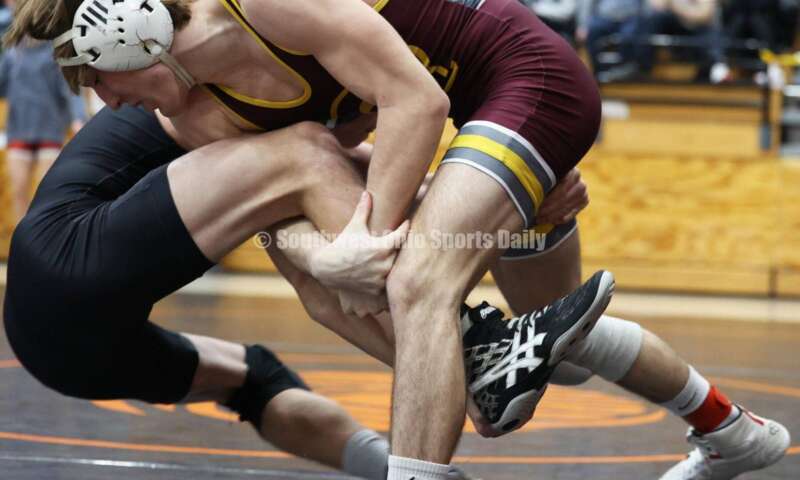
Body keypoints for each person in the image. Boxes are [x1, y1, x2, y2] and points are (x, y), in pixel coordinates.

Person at [4, 1, 788, 479]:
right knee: (547, 349)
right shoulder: (193, 109)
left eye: (104, 84)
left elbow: (414, 100)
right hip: (460, 123)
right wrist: (349, 248)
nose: (108, 105)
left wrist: (371, 242)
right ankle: (731, 429)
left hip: (515, 75)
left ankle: (436, 429)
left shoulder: (260, 9)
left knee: (418, 285)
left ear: (141, 44)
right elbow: (306, 186)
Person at [0, 35, 86, 225]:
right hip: (19, 129)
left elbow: (70, 90)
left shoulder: (54, 55)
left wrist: (78, 118)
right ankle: (20, 241)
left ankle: (43, 237)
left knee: (45, 193)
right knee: (18, 191)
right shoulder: (12, 53)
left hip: (50, 129)